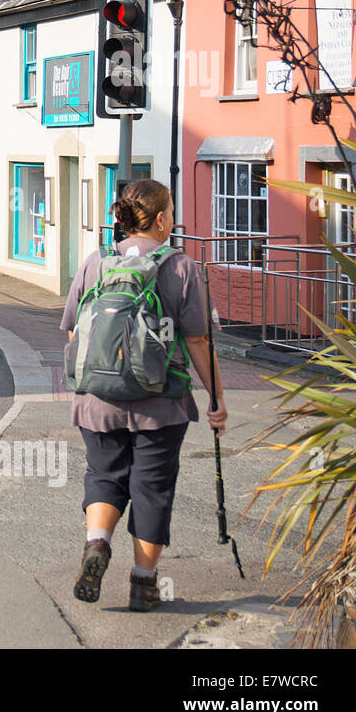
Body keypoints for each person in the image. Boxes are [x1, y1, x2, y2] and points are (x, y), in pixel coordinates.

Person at [60, 178, 227, 612]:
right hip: (161, 404)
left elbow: (76, 331)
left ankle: (97, 545)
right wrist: (216, 400)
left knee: (103, 475)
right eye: (170, 212)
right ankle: (143, 584)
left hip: (97, 399)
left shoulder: (96, 262)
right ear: (158, 220)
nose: (174, 219)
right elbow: (198, 343)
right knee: (152, 488)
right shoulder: (184, 269)